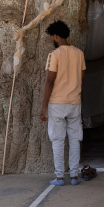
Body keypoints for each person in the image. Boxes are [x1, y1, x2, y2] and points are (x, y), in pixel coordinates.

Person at [40, 20, 86, 186]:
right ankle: (74, 176)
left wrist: (44, 106)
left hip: (57, 104)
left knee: (58, 140)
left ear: (56, 36)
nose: (52, 40)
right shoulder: (79, 53)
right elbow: (81, 77)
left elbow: (50, 82)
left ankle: (60, 177)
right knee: (75, 139)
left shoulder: (55, 55)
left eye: (52, 37)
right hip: (75, 102)